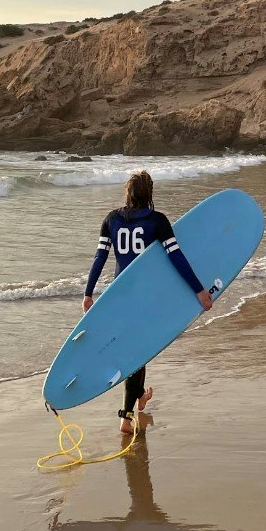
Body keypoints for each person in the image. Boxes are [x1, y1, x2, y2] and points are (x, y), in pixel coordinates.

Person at [83, 169, 213, 434]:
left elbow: (100, 258)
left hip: (119, 296)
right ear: (150, 193)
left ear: (127, 192)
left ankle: (140, 397)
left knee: (135, 351)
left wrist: (88, 293)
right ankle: (126, 416)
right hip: (147, 298)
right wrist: (199, 290)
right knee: (138, 354)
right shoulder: (157, 221)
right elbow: (177, 258)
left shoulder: (112, 219)